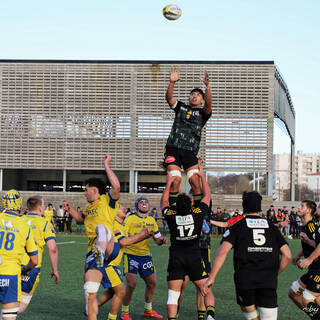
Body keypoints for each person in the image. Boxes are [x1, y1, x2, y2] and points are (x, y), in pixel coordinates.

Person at [201, 191, 291, 320]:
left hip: (245, 280)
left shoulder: (237, 227)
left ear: (244, 206)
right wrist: (275, 273)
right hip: (268, 280)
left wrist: (211, 277)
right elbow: (287, 255)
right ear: (260, 207)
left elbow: (222, 252)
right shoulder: (272, 228)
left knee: (250, 312)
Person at [63, 154, 121, 320]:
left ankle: (100, 251)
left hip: (109, 246)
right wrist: (70, 210)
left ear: (95, 190)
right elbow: (81, 219)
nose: (84, 193)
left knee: (101, 227)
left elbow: (116, 186)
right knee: (90, 294)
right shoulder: (89, 208)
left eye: (86, 189)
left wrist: (106, 165)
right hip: (92, 253)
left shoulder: (106, 200)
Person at [161, 164, 216, 320]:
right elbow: (207, 196)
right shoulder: (197, 214)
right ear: (191, 205)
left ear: (176, 206)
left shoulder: (171, 215)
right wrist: (202, 175)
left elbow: (164, 203)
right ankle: (210, 316)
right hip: (194, 258)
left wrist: (168, 182)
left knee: (173, 295)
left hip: (176, 258)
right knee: (206, 289)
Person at [163, 67, 212, 205]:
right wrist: (172, 82)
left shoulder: (203, 113)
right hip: (173, 148)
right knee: (175, 179)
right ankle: (172, 210)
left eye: (197, 95)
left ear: (201, 100)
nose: (194, 96)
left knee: (195, 182)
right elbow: (169, 98)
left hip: (190, 152)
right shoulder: (181, 107)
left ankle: (197, 210)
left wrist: (207, 87)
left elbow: (209, 105)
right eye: (192, 94)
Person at [97, 204, 152, 319]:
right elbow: (123, 242)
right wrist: (141, 234)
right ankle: (111, 317)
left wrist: (143, 236)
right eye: (120, 207)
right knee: (121, 291)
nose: (123, 208)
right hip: (109, 264)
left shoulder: (121, 225)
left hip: (112, 265)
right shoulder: (114, 224)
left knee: (113, 291)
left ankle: (91, 308)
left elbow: (128, 241)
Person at [121, 196, 168, 320]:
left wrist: (161, 240)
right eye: (141, 202)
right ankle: (125, 312)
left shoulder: (152, 220)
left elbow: (156, 240)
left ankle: (148, 309)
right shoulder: (130, 219)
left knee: (152, 283)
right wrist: (141, 235)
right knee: (131, 284)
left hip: (145, 257)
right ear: (137, 205)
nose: (144, 204)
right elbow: (124, 239)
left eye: (146, 202)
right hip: (130, 255)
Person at [0, 190, 38, 320]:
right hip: (10, 274)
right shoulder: (24, 225)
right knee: (8, 316)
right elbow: (34, 260)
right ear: (20, 204)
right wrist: (25, 270)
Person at [19, 195, 59, 314]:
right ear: (41, 208)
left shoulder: (19, 220)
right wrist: (55, 270)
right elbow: (52, 248)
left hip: (12, 265)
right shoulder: (46, 224)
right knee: (21, 305)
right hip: (31, 267)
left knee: (9, 299)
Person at [288, 200, 319, 318]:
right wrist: (298, 255)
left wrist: (307, 241)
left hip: (317, 268)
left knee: (309, 298)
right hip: (312, 269)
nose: (299, 208)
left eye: (302, 206)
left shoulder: (311, 226)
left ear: (309, 210)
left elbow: (317, 245)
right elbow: (309, 245)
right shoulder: (306, 226)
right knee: (293, 293)